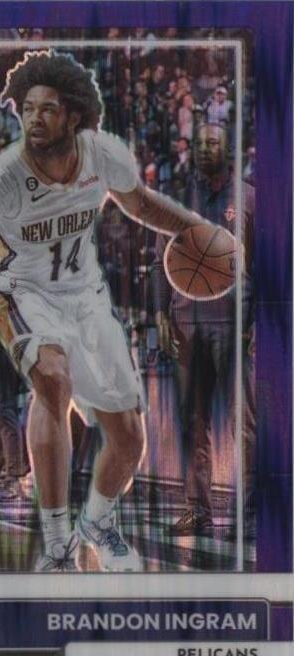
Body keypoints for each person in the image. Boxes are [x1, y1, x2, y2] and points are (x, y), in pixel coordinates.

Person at [0, 50, 218, 572]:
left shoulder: (103, 154)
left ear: (74, 115)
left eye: (47, 108)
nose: (33, 118)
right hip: (18, 290)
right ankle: (58, 543)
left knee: (129, 438)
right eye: (27, 108)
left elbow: (142, 204)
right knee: (52, 377)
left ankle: (98, 523)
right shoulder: (0, 177)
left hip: (84, 295)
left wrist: (200, 230)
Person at [152, 121, 255, 537]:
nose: (203, 148)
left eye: (212, 142)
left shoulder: (249, 198)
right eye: (198, 142)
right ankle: (197, 508)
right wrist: (161, 312)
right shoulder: (178, 200)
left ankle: (250, 512)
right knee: (192, 422)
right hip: (187, 323)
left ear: (228, 149)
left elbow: (270, 265)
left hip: (234, 325)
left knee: (243, 422)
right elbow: (160, 259)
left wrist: (259, 323)